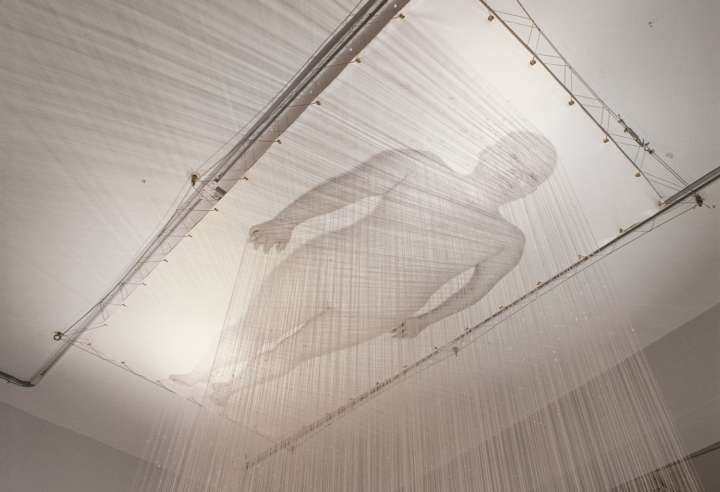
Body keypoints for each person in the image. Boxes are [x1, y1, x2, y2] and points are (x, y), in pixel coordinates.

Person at [171, 131, 557, 404]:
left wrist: (427, 320)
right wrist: (287, 220)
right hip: (328, 265)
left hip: (382, 308)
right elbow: (345, 188)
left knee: (297, 351)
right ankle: (200, 372)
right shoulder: (419, 165)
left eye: (531, 175)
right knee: (256, 327)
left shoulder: (508, 240)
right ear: (490, 148)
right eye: (514, 157)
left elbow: (475, 291)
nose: (516, 174)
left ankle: (232, 388)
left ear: (533, 190)